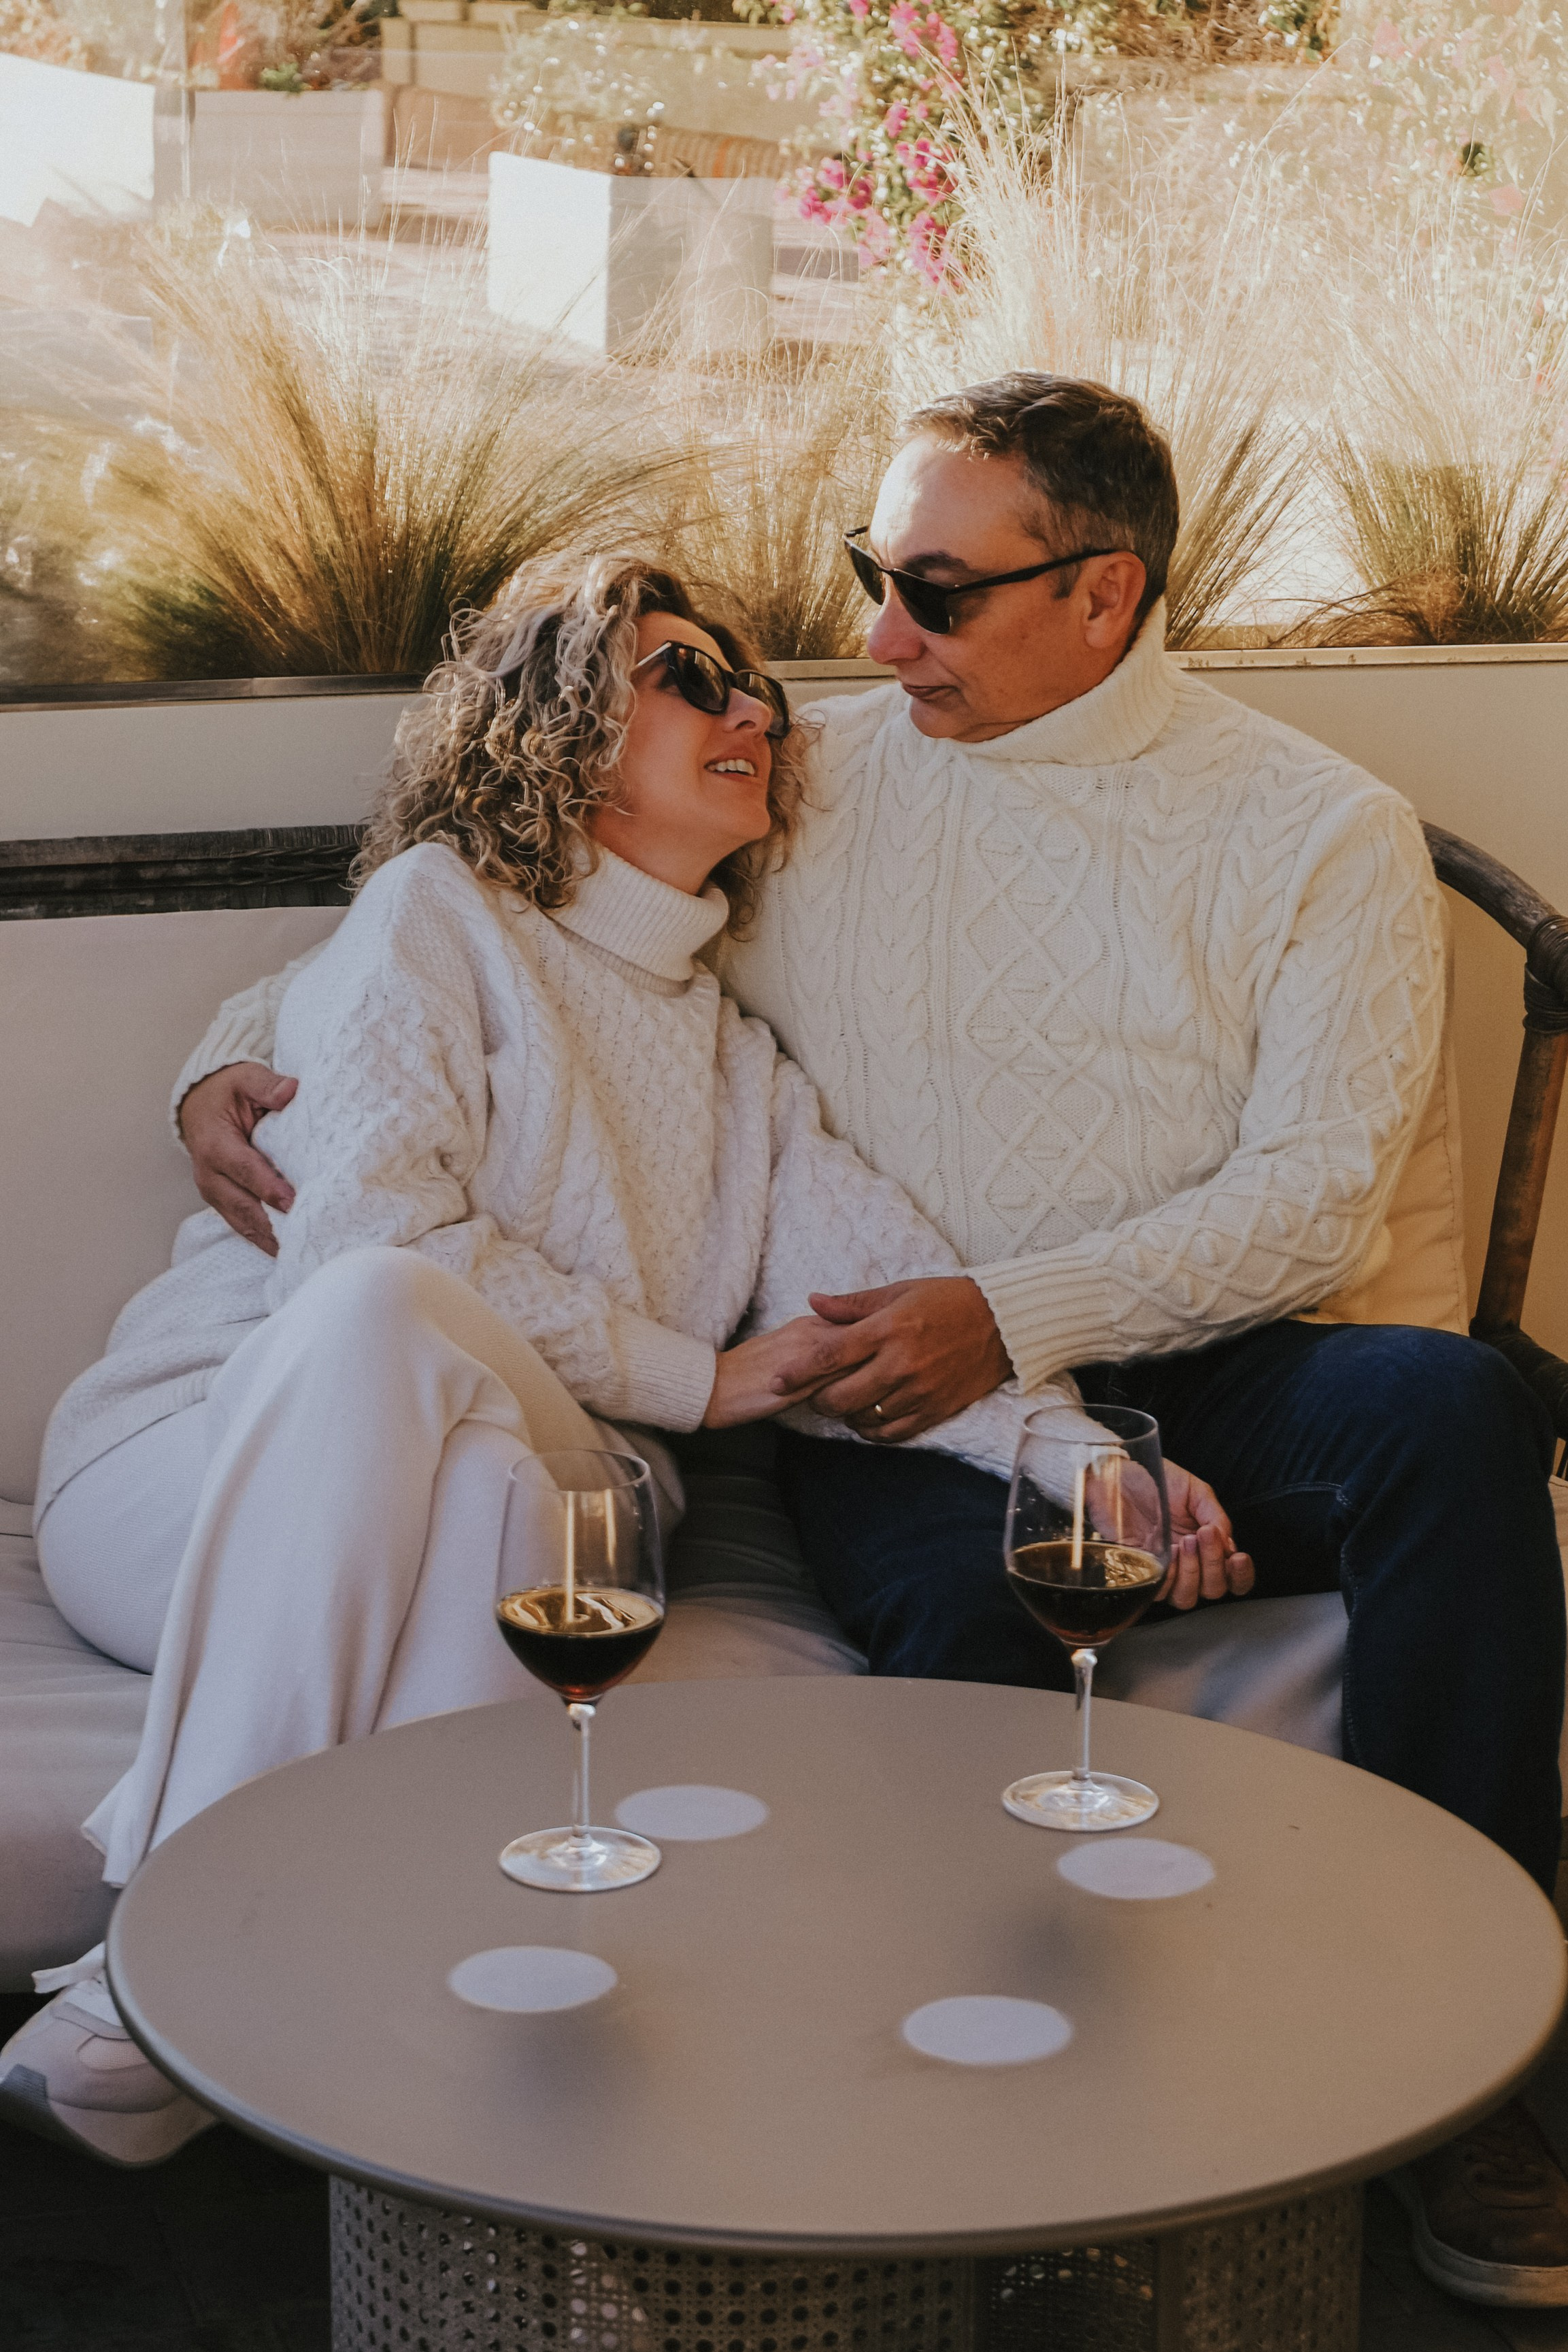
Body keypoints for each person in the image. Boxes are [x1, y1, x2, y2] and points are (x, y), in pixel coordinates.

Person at [169, 376, 1568, 2308]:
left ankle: (1459, 2055)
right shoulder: (819, 774)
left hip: (1191, 1343)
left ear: (1105, 595)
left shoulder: (1313, 833)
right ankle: (1007, 2143)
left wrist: (1013, 1316)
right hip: (895, 1393)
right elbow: (500, 913)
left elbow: (1317, 1201)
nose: (875, 637)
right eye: (869, 576)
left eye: (931, 590)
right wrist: (225, 1063)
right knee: (962, 1624)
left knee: (1457, 1412)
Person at [0, 552, 1246, 2168]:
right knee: (395, 1331)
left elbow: (883, 1306)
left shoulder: (739, 1063)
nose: (748, 709)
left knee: (514, 1508)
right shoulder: (433, 918)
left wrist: (1085, 1458)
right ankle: (275, 2031)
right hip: (196, 1469)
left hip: (554, 1502)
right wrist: (699, 1378)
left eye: (755, 689)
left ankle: (238, 2043)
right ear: (566, 731)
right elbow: (364, 1243)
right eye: (688, 678)